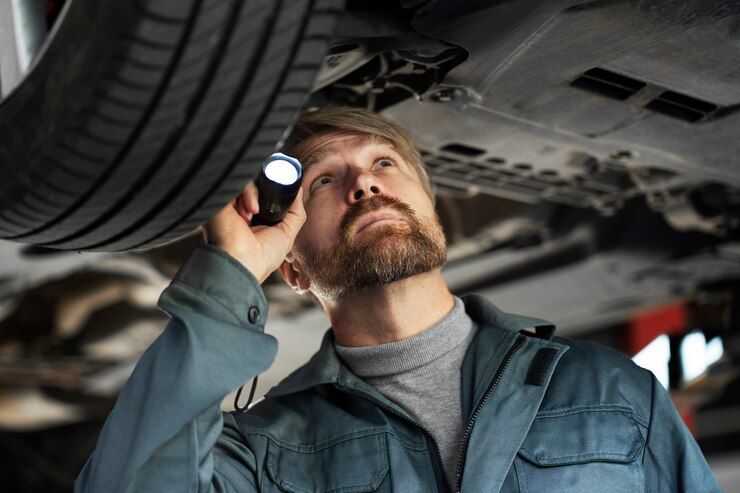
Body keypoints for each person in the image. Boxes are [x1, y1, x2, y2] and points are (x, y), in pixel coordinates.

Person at [75, 106, 719, 492]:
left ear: (432, 213)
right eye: (325, 178)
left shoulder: (606, 388)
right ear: (292, 268)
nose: (364, 183)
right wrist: (227, 276)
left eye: (385, 163)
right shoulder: (266, 450)